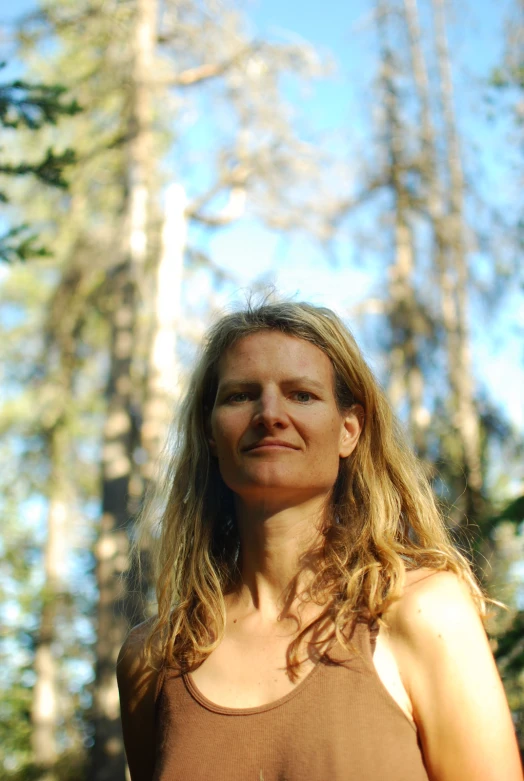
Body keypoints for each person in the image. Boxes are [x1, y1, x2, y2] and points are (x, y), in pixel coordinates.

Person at [117, 300, 522, 781]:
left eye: (301, 395)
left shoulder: (421, 612)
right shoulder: (153, 658)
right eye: (241, 395)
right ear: (209, 432)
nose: (270, 414)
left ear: (348, 430)